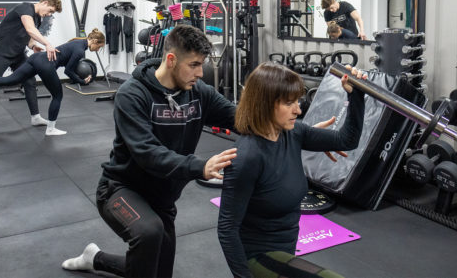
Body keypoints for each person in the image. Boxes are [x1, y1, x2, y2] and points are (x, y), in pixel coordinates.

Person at [61, 24, 238, 278]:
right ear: (171, 59)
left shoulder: (199, 93)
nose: (201, 72)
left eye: (202, 64)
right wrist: (200, 166)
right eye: (194, 65)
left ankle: (95, 258)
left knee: (155, 271)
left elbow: (241, 118)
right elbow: (147, 152)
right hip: (120, 190)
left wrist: (294, 126)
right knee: (148, 233)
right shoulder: (132, 95)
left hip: (162, 199)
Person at [218, 61, 366, 278]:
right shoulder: (247, 157)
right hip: (257, 255)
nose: (298, 109)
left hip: (287, 250)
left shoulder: (293, 132)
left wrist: (356, 95)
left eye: (297, 101)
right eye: (289, 103)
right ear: (265, 104)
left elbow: (347, 140)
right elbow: (227, 229)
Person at [0, 30, 105, 136]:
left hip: (36, 58)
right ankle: (51, 129)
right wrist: (82, 81)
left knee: (10, 80)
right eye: (99, 46)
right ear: (95, 41)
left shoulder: (77, 42)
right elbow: (68, 71)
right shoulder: (80, 50)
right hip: (46, 64)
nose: (98, 49)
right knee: (58, 96)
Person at [0, 0, 62, 137]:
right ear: (44, 2)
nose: (49, 14)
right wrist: (47, 44)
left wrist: (33, 46)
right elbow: (29, 29)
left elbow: (27, 37)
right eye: (50, 10)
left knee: (30, 81)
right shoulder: (25, 7)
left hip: (17, 53)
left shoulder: (38, 18)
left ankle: (35, 117)